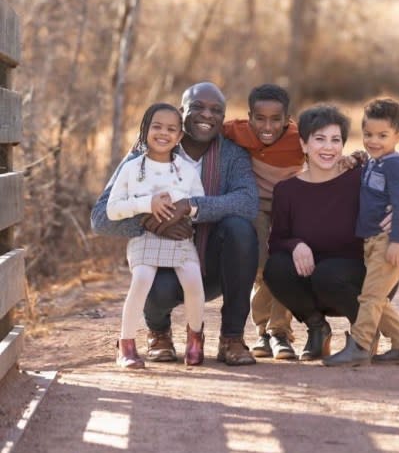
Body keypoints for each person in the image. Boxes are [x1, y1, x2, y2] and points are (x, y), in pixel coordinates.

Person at [91, 82, 259, 367]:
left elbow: (247, 203)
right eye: (197, 107)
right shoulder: (143, 155)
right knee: (150, 282)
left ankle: (232, 338)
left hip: (209, 263)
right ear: (182, 113)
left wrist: (191, 207)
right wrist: (151, 221)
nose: (207, 115)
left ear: (223, 118)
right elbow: (100, 218)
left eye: (216, 110)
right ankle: (158, 333)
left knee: (240, 229)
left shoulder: (232, 155)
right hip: (160, 263)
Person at [263, 104, 368, 361]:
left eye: (335, 140)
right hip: (310, 281)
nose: (328, 148)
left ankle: (365, 333)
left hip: (354, 278)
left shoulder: (359, 179)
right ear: (304, 145)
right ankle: (317, 329)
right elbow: (277, 241)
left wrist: (396, 218)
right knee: (275, 267)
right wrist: (296, 244)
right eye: (319, 139)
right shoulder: (287, 191)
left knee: (327, 274)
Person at [107, 103, 206, 370]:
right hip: (144, 237)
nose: (163, 133)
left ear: (180, 136)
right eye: (157, 127)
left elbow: (200, 202)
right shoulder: (131, 168)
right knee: (141, 279)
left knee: (194, 281)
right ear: (145, 130)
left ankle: (195, 338)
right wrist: (145, 204)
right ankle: (126, 344)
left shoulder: (186, 170)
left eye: (171, 129)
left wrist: (185, 214)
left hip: (179, 237)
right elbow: (112, 210)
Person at [323, 97, 399, 367]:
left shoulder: (395, 165)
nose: (374, 141)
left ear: (397, 136)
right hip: (373, 241)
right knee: (376, 296)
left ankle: (360, 345)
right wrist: (356, 158)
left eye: (382, 135)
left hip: (389, 239)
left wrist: (397, 240)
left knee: (371, 296)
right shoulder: (373, 163)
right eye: (368, 135)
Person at [223, 84, 304, 360]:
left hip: (289, 208)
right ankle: (261, 331)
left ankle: (279, 332)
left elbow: (327, 152)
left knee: (283, 264)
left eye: (276, 119)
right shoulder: (236, 130)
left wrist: (353, 159)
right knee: (260, 266)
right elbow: (201, 131)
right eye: (260, 118)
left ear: (287, 119)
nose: (267, 126)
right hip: (255, 206)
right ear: (249, 117)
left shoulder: (299, 137)